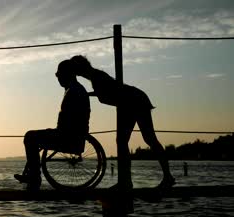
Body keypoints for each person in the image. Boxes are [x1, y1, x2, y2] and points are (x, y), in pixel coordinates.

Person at [70, 55, 175, 189]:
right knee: (129, 141)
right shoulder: (96, 76)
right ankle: (129, 180)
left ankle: (160, 177)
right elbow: (104, 93)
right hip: (131, 101)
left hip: (133, 101)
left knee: (147, 139)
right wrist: (88, 95)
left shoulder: (97, 77)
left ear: (80, 69)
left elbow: (104, 95)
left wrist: (86, 95)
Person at [15, 59, 90, 191]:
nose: (58, 78)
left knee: (30, 137)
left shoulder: (74, 91)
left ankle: (34, 178)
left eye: (59, 75)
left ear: (68, 74)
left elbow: (72, 120)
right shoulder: (75, 89)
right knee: (33, 136)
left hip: (68, 137)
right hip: (69, 134)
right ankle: (32, 175)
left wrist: (56, 131)